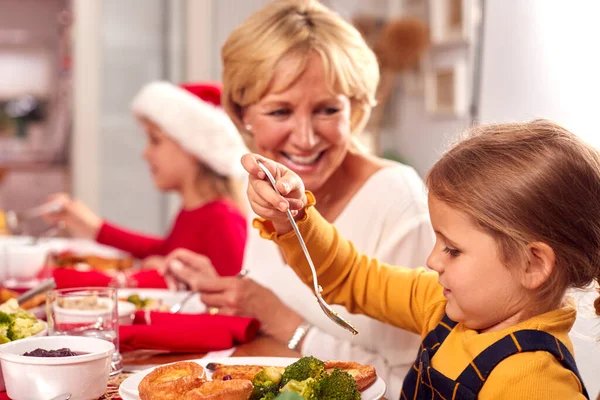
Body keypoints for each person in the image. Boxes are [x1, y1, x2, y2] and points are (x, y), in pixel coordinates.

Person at [161, 0, 434, 397]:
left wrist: (280, 318)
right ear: (243, 113)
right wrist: (223, 289)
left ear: (355, 108)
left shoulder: (401, 204)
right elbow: (265, 305)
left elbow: (408, 385)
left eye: (327, 109)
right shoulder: (265, 181)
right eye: (280, 111)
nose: (305, 138)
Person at [241, 119, 600, 399]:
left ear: (533, 264)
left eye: (452, 249)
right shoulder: (439, 302)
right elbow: (350, 277)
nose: (432, 260)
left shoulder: (534, 382)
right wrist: (291, 215)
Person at [45, 81, 248, 279]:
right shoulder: (195, 211)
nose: (146, 153)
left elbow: (236, 301)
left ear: (193, 147)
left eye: (155, 140)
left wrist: (158, 277)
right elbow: (165, 250)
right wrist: (95, 228)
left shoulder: (223, 219)